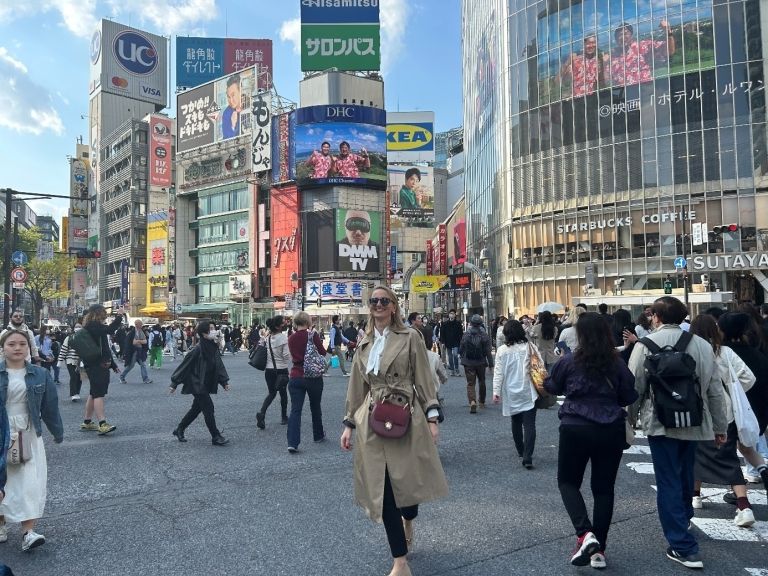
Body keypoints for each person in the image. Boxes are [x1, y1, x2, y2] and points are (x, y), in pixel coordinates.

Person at [340, 285, 447, 576]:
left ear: (394, 306)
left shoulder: (410, 337)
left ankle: (409, 517)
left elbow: (424, 380)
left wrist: (432, 417)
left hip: (404, 416)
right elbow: (356, 387)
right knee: (384, 489)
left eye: (383, 301)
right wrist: (349, 423)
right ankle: (400, 561)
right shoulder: (364, 343)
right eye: (373, 301)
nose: (377, 305)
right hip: (371, 420)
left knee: (406, 488)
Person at [627, 296, 728, 569]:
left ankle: (682, 545)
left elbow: (633, 387)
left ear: (656, 317)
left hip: (660, 423)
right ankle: (682, 521)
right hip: (695, 421)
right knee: (685, 474)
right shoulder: (702, 346)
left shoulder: (645, 345)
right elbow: (714, 389)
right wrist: (720, 426)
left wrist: (629, 420)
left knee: (668, 479)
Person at [545, 313, 639, 569]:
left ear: (581, 335)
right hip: (610, 429)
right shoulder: (617, 362)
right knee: (603, 489)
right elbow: (629, 394)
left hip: (575, 427)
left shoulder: (569, 361)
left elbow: (552, 386)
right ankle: (599, 551)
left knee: (567, 482)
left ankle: (585, 533)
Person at [689, 314, 758, 527]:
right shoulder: (725, 352)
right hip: (725, 410)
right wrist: (731, 390)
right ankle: (743, 505)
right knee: (728, 457)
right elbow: (748, 377)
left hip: (697, 411)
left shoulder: (690, 351)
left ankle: (695, 495)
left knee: (695, 454)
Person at [0, 330, 64, 551]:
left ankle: (28, 531)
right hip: (1, 430)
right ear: (3, 348)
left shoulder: (39, 374)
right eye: (11, 344)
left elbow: (50, 406)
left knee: (29, 481)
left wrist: (57, 432)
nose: (17, 348)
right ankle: (1, 523)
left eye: (22, 344)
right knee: (3, 479)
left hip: (27, 431)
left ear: (29, 348)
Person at [716, 312, 768, 495]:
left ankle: (740, 497)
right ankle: (762, 470)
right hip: (756, 408)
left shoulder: (723, 352)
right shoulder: (756, 352)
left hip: (732, 410)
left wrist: (733, 395)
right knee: (745, 446)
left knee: (729, 451)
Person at [169, 320, 230, 446]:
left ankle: (179, 429)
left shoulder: (212, 346)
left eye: (214, 328)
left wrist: (224, 381)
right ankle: (216, 436)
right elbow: (184, 366)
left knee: (196, 409)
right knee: (209, 408)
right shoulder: (197, 349)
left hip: (206, 382)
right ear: (203, 333)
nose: (214, 331)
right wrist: (174, 383)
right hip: (196, 383)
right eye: (211, 329)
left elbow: (218, 365)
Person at [493, 320, 541, 469]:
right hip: (528, 390)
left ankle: (520, 450)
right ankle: (528, 456)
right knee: (530, 424)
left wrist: (496, 392)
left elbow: (498, 373)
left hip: (511, 391)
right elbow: (540, 366)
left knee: (516, 422)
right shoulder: (530, 347)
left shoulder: (502, 350)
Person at [286, 311, 328, 453]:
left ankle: (292, 442)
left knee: (295, 410)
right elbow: (322, 352)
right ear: (308, 322)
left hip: (296, 375)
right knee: (315, 407)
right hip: (313, 376)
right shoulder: (312, 335)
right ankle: (318, 435)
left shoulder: (291, 338)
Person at [80, 306, 124, 435]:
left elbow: (104, 347)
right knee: (98, 394)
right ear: (98, 313)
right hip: (97, 365)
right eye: (104, 313)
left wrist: (113, 364)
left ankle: (87, 422)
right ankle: (102, 423)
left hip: (95, 363)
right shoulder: (93, 325)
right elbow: (110, 330)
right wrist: (119, 316)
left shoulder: (91, 326)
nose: (105, 315)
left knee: (94, 392)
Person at [610, 20, 676, 87]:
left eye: (625, 33)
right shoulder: (612, 57)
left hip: (645, 91)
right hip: (623, 94)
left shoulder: (643, 46)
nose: (622, 37)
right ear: (616, 39)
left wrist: (668, 32)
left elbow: (669, 51)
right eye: (619, 35)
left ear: (631, 35)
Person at [256, 316, 290, 429]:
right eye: (283, 323)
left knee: (271, 393)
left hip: (269, 370)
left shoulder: (269, 337)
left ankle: (262, 413)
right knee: (283, 393)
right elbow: (286, 356)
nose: (285, 324)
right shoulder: (283, 338)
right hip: (281, 370)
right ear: (277, 326)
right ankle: (284, 417)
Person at [459, 314, 494, 414]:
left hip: (468, 362)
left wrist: (462, 356)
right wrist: (491, 364)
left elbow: (461, 347)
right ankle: (482, 401)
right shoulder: (484, 335)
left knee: (470, 383)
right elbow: (488, 351)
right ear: (480, 324)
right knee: (482, 381)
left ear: (471, 323)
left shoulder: (466, 334)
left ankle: (472, 401)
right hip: (481, 362)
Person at [119, 320, 151, 385]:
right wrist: (140, 341)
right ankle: (122, 377)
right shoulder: (131, 333)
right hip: (134, 352)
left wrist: (138, 341)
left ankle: (145, 379)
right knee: (131, 366)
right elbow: (133, 343)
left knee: (143, 365)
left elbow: (145, 342)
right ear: (136, 324)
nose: (141, 325)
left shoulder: (141, 332)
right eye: (140, 324)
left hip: (140, 351)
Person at [57, 324, 83, 401]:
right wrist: (60, 360)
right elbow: (64, 349)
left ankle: (77, 392)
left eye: (79, 327)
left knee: (80, 378)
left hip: (81, 361)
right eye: (76, 326)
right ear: (73, 328)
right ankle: (73, 394)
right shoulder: (69, 338)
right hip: (70, 360)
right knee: (73, 376)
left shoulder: (85, 338)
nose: (78, 328)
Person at [440, 309, 464, 377]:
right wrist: (443, 342)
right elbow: (442, 333)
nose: (451, 315)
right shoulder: (445, 324)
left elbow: (461, 333)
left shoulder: (458, 323)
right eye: (450, 313)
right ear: (449, 314)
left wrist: (461, 341)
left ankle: (457, 369)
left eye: (453, 313)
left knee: (455, 355)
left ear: (455, 315)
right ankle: (452, 370)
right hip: (448, 342)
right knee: (450, 357)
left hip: (456, 342)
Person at [221, 73, 242, 139]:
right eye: (228, 97)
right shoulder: (227, 113)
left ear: (240, 91)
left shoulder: (250, 103)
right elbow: (226, 139)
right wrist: (233, 125)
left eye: (233, 95)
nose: (231, 100)